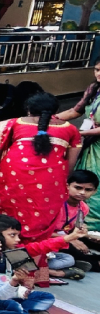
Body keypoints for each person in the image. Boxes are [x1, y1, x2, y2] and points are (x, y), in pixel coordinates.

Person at [0, 92, 82, 242]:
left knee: (10, 206)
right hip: (51, 180)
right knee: (41, 211)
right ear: (55, 110)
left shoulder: (14, 124)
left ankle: (5, 240)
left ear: (28, 109)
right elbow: (70, 163)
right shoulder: (71, 129)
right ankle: (35, 247)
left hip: (14, 174)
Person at [57, 60, 100, 230]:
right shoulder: (94, 88)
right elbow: (75, 111)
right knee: (85, 181)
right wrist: (48, 119)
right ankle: (80, 225)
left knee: (96, 186)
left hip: (95, 143)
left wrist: (78, 133)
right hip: (91, 144)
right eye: (97, 69)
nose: (98, 74)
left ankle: (94, 228)